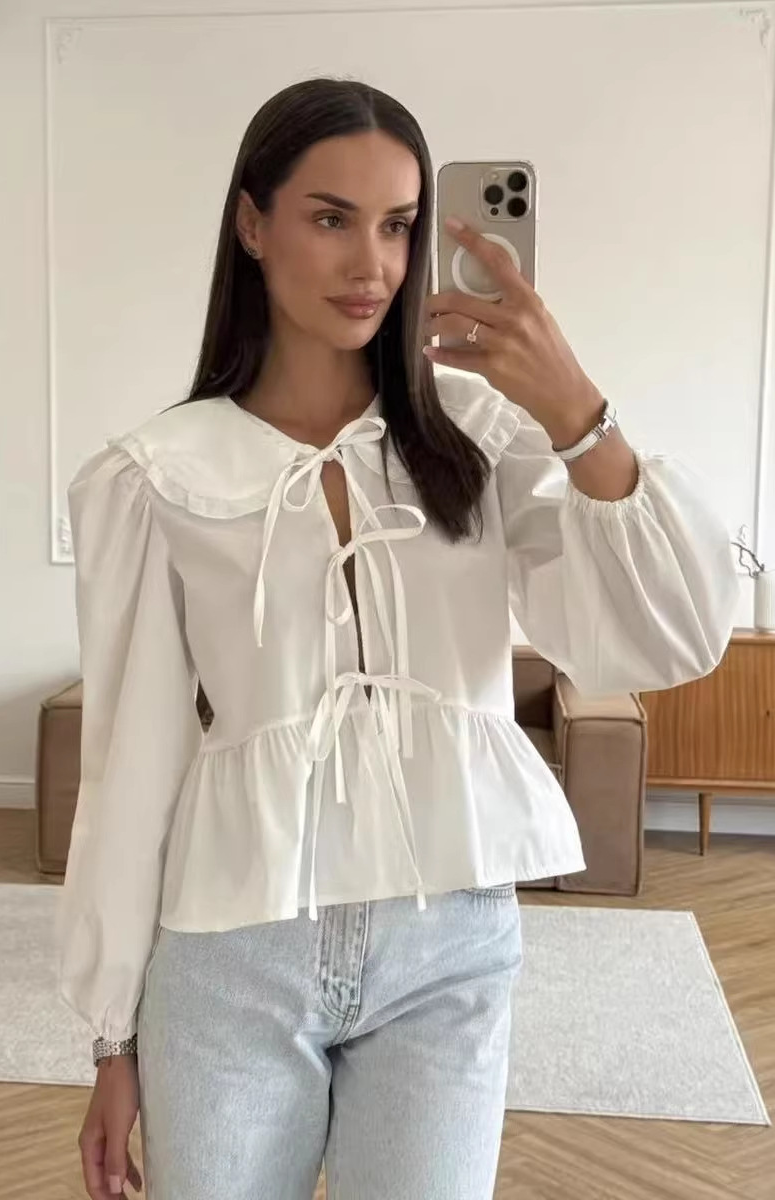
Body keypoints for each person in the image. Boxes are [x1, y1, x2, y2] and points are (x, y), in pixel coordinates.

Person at [59, 77, 738, 1200]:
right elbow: (130, 763)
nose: (372, 262)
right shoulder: (158, 475)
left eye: (398, 224)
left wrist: (578, 411)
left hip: (447, 950)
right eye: (332, 218)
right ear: (252, 224)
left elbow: (667, 636)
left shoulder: (483, 437)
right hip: (233, 954)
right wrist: (110, 1037)